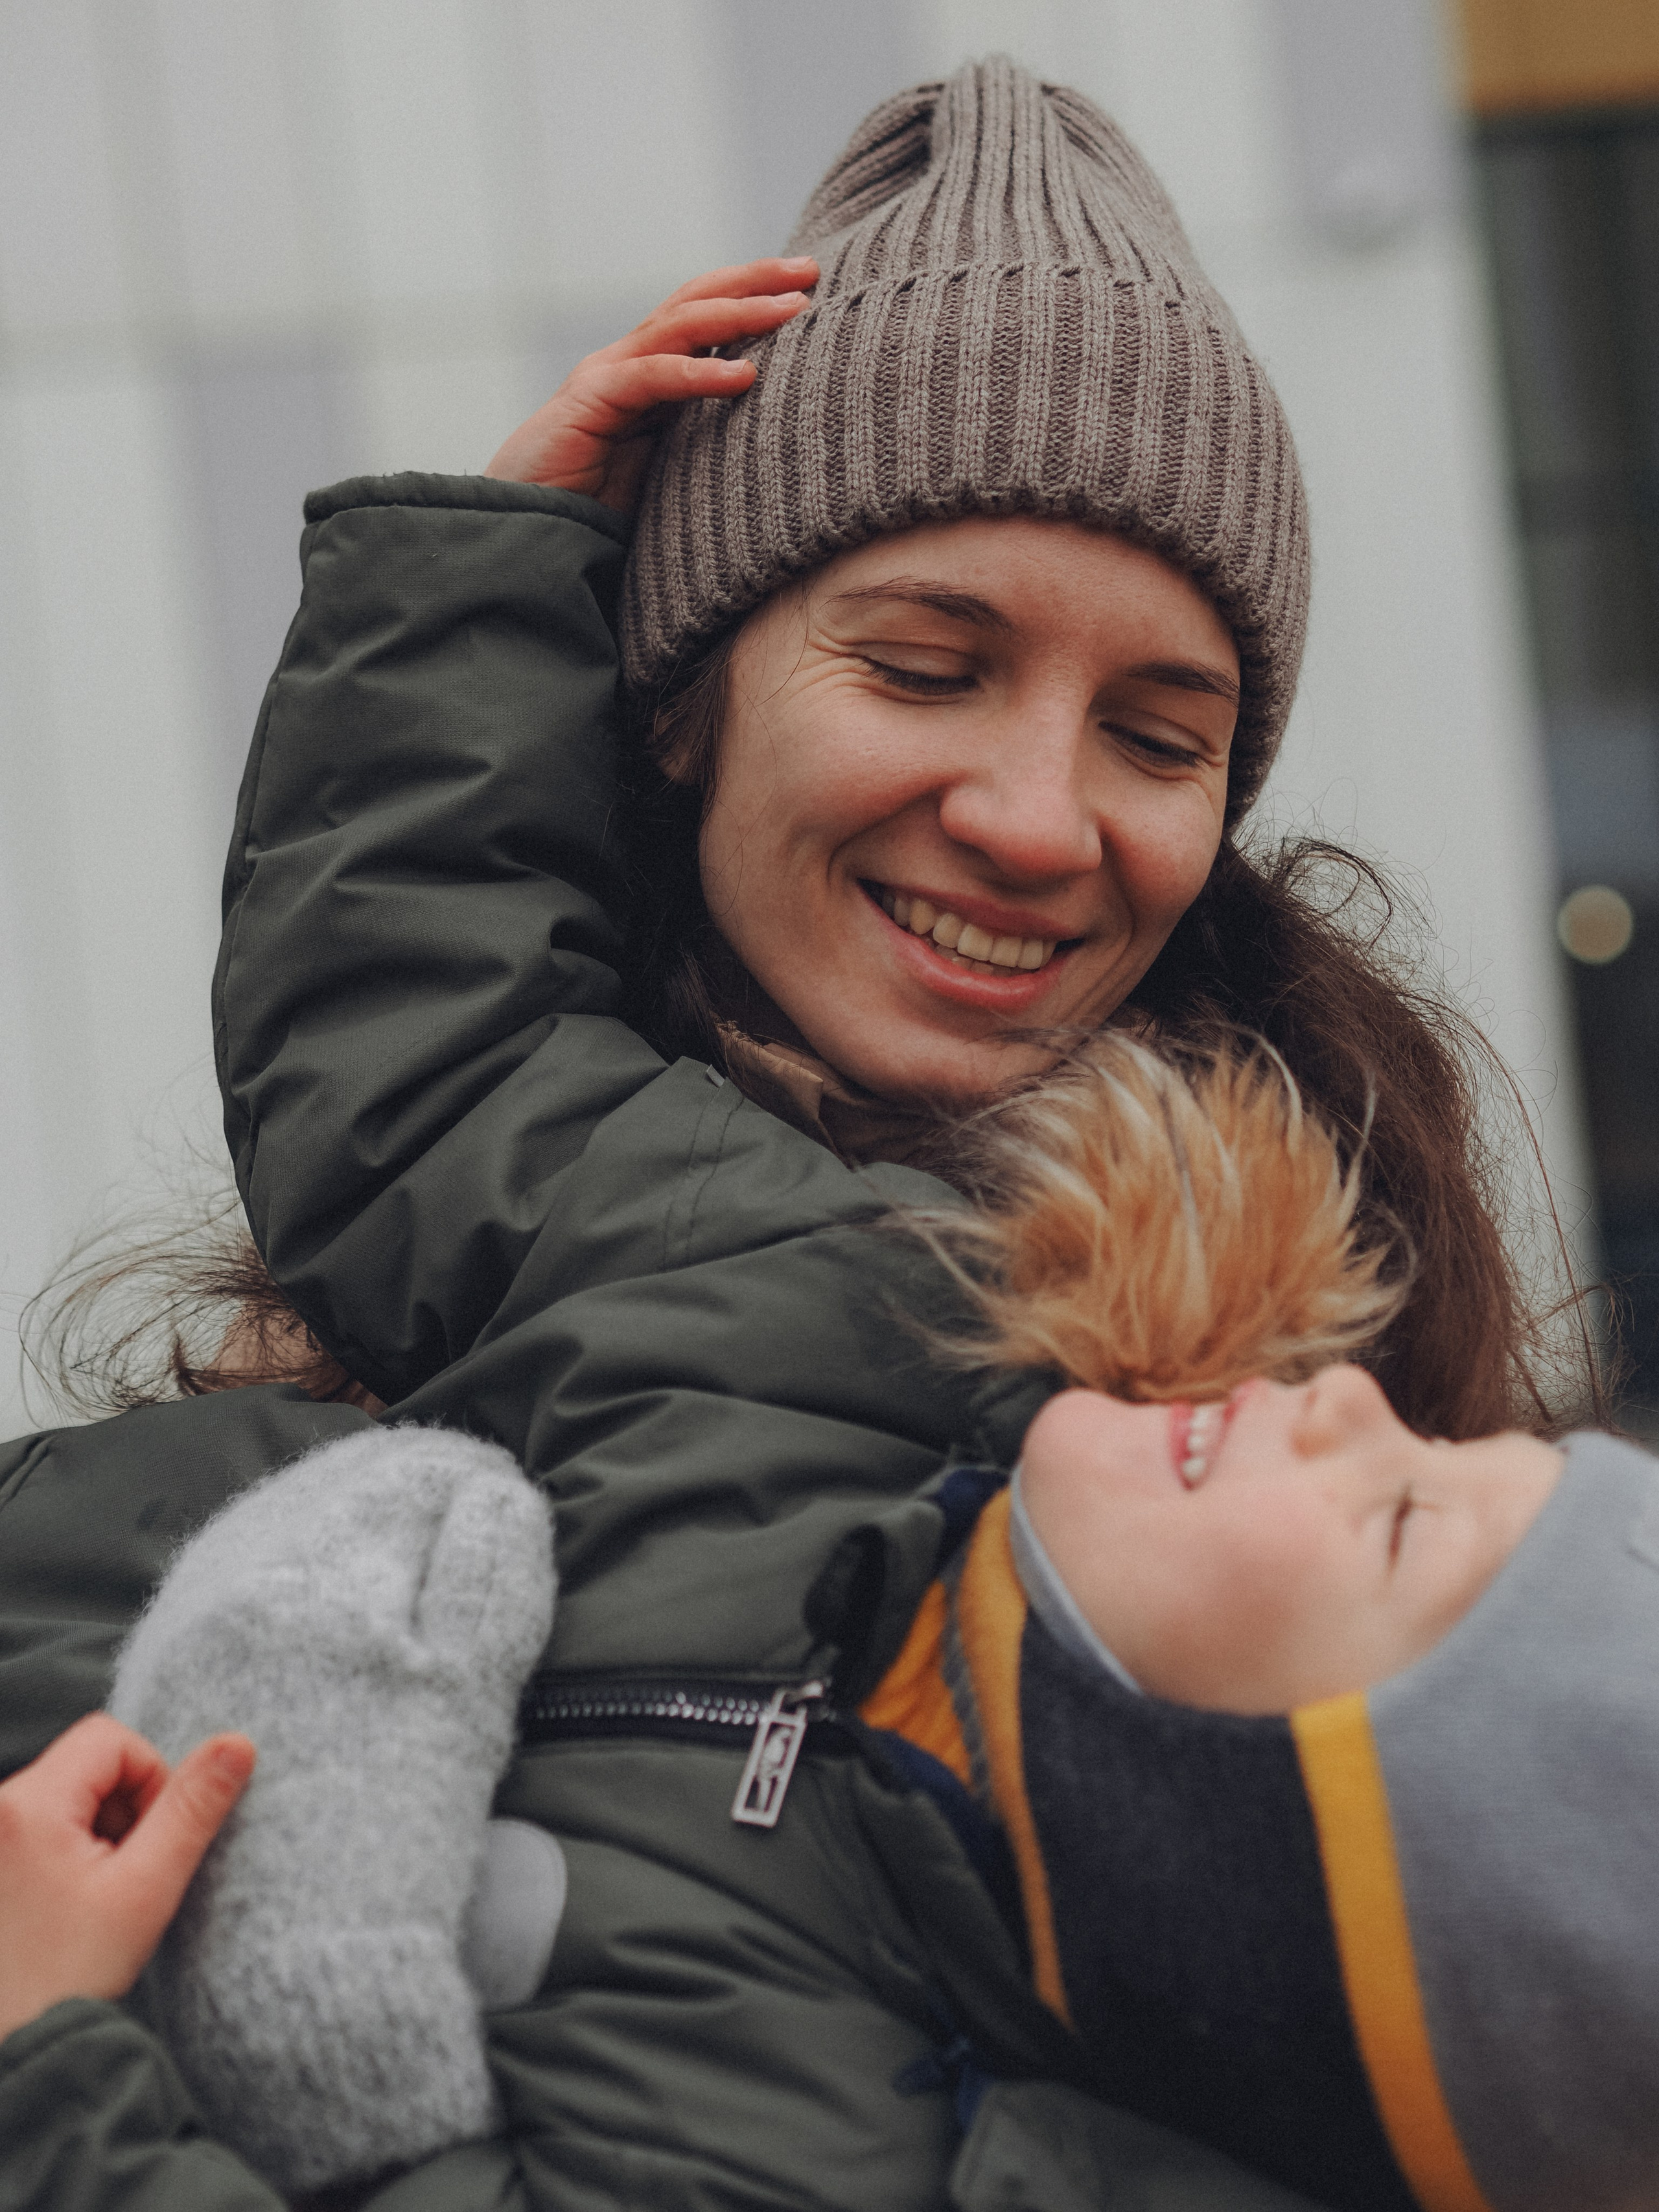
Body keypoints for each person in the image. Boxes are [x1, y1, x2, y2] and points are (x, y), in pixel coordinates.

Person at [0, 54, 1593, 2212]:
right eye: (926, 667)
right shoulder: (626, 1219)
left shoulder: (1301, 1551)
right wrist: (482, 580)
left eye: (1159, 733)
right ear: (680, 703)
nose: (1035, 819)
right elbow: (408, 1027)